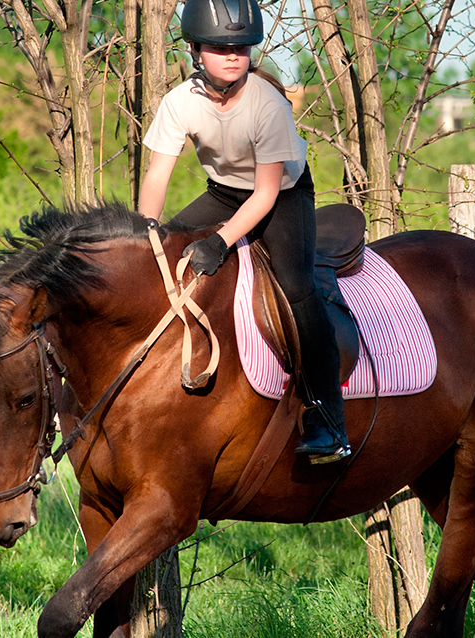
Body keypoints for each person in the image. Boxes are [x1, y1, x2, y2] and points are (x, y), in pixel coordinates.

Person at [137, 0, 349, 463]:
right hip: (224, 191)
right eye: (219, 46)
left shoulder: (268, 103)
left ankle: (329, 420)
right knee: (166, 253)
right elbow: (156, 178)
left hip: (283, 196)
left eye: (240, 46)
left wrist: (219, 241)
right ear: (194, 50)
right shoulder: (179, 103)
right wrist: (146, 234)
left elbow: (266, 193)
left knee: (296, 286)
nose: (232, 55)